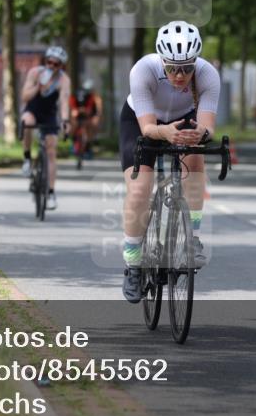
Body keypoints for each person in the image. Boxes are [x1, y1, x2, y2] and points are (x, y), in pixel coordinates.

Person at [119, 21, 220, 303]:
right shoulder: (143, 70)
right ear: (162, 61)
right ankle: (133, 262)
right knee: (140, 189)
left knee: (196, 159)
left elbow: (208, 127)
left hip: (185, 119)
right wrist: (165, 133)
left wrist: (201, 134)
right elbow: (149, 128)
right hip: (141, 121)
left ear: (195, 62)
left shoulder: (208, 75)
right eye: (172, 68)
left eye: (187, 68)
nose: (179, 75)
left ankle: (192, 238)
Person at [20, 46, 71, 210]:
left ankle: (50, 192)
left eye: (56, 64)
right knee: (26, 122)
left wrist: (65, 120)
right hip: (33, 110)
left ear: (61, 66)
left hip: (49, 114)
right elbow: (24, 97)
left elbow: (64, 102)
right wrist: (38, 87)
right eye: (49, 62)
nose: (52, 66)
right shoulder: (35, 73)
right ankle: (27, 158)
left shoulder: (63, 80)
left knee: (51, 149)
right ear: (45, 61)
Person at [70, 78, 103, 158]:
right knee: (73, 124)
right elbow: (72, 109)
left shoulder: (95, 97)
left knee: (91, 125)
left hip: (89, 115)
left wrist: (97, 116)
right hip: (79, 115)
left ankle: (88, 145)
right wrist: (75, 112)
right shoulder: (76, 95)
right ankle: (73, 142)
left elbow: (97, 110)